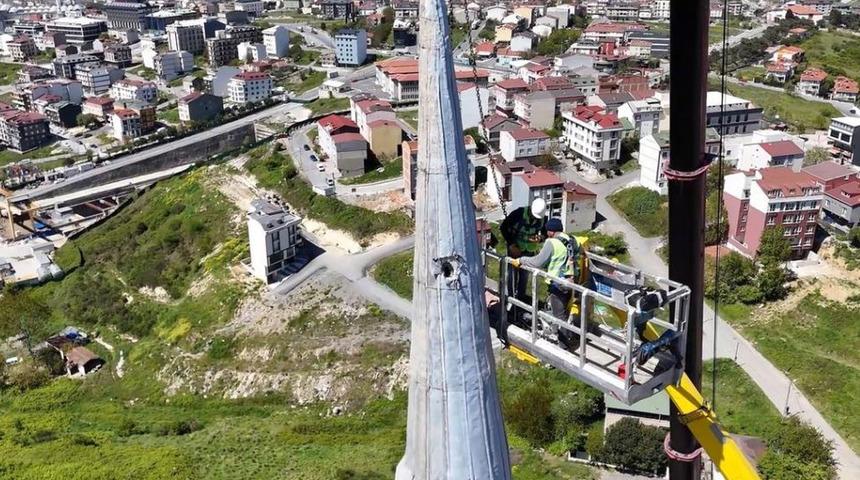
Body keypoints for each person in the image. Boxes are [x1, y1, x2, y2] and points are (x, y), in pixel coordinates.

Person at [511, 217, 580, 348]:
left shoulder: (551, 243)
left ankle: (563, 347)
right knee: (562, 311)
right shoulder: (573, 240)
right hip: (572, 281)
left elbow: (537, 262)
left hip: (558, 283)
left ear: (550, 232)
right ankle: (559, 334)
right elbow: (574, 255)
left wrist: (521, 260)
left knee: (560, 316)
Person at [499, 198, 547, 308]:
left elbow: (544, 233)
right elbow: (504, 227)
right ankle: (511, 299)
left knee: (524, 276)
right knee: (512, 276)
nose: (535, 218)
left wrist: (540, 238)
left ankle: (520, 300)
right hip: (515, 249)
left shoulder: (543, 219)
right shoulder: (518, 214)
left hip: (528, 251)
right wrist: (511, 245)